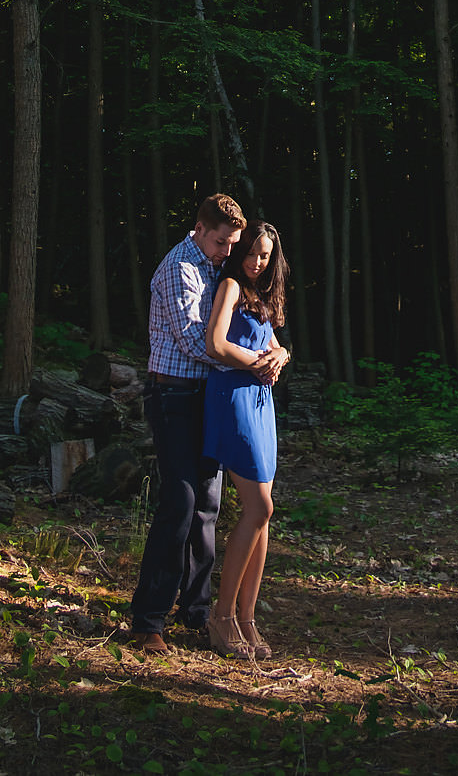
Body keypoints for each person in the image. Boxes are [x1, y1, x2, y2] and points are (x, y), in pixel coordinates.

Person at [130, 193, 287, 654]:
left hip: (209, 400)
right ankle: (148, 619)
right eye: (222, 243)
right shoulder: (180, 268)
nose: (227, 252)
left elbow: (250, 327)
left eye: (232, 244)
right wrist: (258, 362)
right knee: (179, 503)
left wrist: (276, 352)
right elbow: (202, 343)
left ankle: (197, 611)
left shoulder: (218, 267)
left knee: (207, 509)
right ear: (199, 228)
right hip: (174, 395)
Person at [203, 220, 290, 660]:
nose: (258, 262)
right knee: (259, 507)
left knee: (263, 518)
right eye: (253, 253)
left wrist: (281, 354)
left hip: (261, 405)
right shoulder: (232, 287)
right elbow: (216, 343)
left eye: (265, 256)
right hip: (234, 397)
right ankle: (221, 617)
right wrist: (260, 361)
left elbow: (275, 344)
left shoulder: (260, 296)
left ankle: (247, 618)